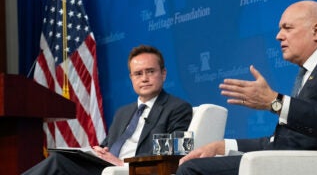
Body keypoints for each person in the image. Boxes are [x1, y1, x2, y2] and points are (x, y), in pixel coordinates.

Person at [176, 0, 317, 175]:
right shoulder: (308, 74)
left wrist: (275, 103)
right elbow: (282, 142)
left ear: (316, 31)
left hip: (314, 166)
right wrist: (223, 145)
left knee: (192, 170)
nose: (278, 36)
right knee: (194, 164)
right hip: (288, 161)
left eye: (287, 28)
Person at [23, 45, 193, 175]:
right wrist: (99, 151)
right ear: (131, 78)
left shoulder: (177, 108)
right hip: (105, 168)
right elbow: (107, 145)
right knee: (61, 158)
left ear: (163, 74)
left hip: (130, 171)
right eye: (138, 74)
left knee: (58, 162)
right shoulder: (123, 112)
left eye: (150, 71)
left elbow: (173, 155)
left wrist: (122, 163)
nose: (145, 78)